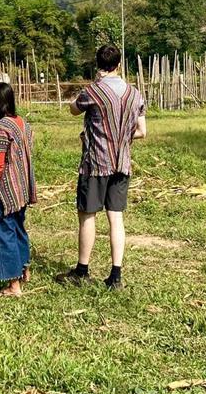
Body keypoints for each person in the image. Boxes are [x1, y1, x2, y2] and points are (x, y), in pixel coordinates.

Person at [56, 45, 147, 290]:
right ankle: (115, 276)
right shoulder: (134, 94)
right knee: (116, 218)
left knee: (87, 216)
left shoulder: (93, 91)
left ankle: (82, 271)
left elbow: (73, 109)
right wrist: (122, 138)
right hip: (122, 164)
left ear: (98, 64)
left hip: (96, 163)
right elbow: (142, 131)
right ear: (119, 64)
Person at [0, 82, 37, 296]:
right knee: (18, 229)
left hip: (5, 191)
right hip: (21, 189)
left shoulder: (0, 128)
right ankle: (24, 270)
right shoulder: (22, 123)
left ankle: (13, 285)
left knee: (3, 234)